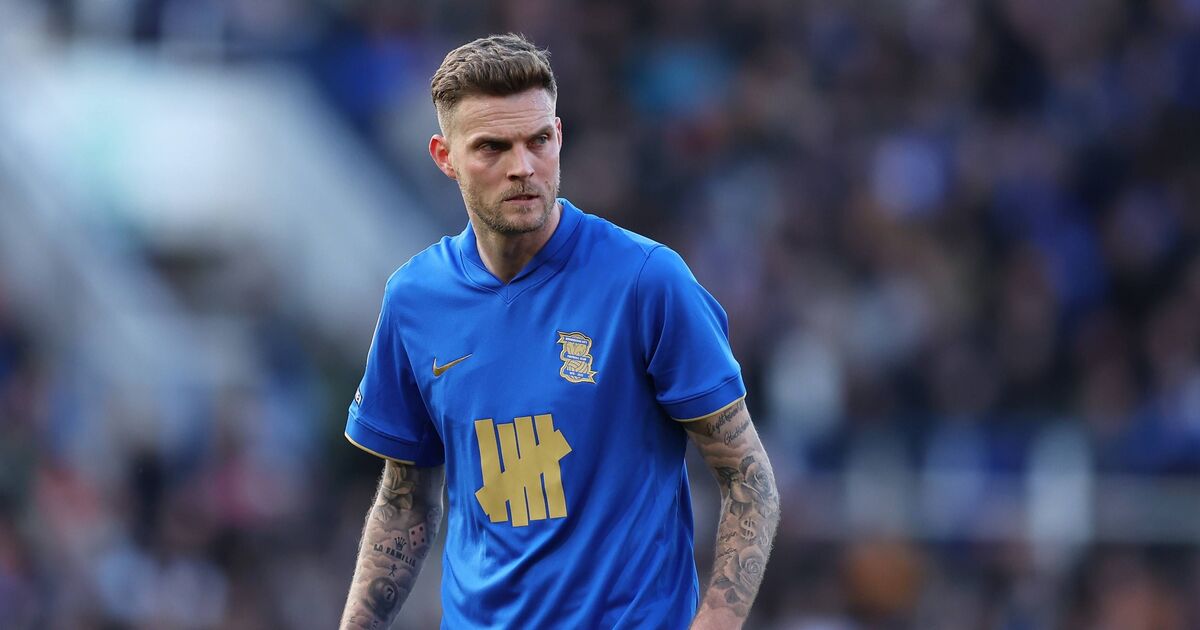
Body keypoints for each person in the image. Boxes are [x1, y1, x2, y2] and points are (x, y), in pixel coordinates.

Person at [339, 33, 779, 630]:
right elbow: (404, 500)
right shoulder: (414, 300)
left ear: (559, 137)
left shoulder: (646, 280)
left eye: (538, 140)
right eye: (493, 147)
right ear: (445, 157)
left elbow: (748, 478)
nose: (522, 167)